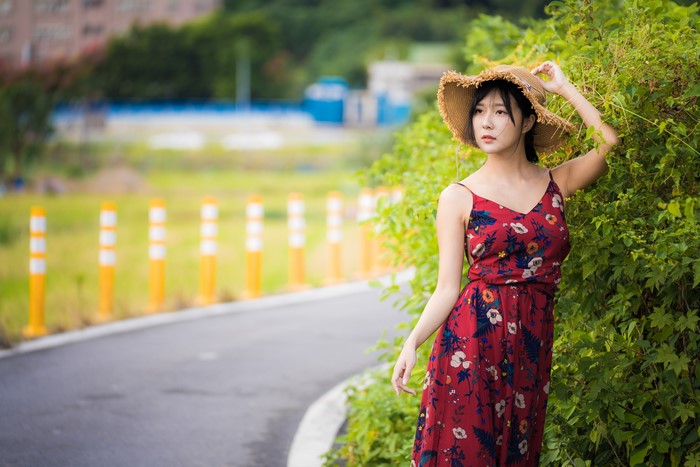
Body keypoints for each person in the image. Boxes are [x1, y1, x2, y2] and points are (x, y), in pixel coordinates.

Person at [390, 61, 619, 466]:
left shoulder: (556, 183)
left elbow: (607, 143)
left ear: (528, 121)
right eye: (479, 111)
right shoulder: (459, 197)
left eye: (500, 111)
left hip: (531, 342)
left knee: (517, 451)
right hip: (472, 338)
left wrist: (565, 88)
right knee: (470, 453)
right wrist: (412, 343)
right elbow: (447, 287)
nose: (486, 122)